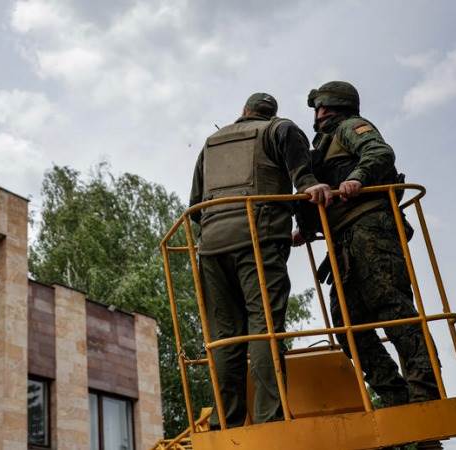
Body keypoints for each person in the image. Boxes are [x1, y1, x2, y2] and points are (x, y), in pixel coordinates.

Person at [296, 81, 442, 449]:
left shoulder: (352, 127)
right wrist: (304, 229)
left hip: (371, 229)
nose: (318, 114)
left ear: (337, 106)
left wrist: (357, 178)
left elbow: (379, 153)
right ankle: (398, 401)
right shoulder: (322, 145)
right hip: (343, 241)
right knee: (347, 326)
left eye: (323, 107)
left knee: (394, 312)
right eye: (316, 109)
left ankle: (425, 401)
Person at [189, 93, 330, 427]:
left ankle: (228, 421)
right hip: (257, 236)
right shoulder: (279, 129)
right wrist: (309, 186)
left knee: (225, 336)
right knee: (264, 327)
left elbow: (195, 201)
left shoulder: (212, 142)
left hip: (210, 244)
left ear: (244, 112)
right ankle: (270, 419)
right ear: (270, 114)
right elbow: (301, 173)